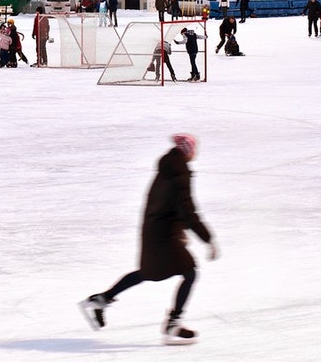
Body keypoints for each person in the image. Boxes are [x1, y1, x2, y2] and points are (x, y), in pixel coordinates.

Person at [79, 134, 217, 345]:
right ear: (187, 151)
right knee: (189, 272)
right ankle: (173, 324)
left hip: (155, 230)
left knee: (150, 272)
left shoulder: (168, 169)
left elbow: (171, 207)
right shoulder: (179, 174)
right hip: (164, 235)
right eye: (194, 149)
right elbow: (187, 210)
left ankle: (102, 299)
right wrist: (207, 238)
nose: (195, 153)